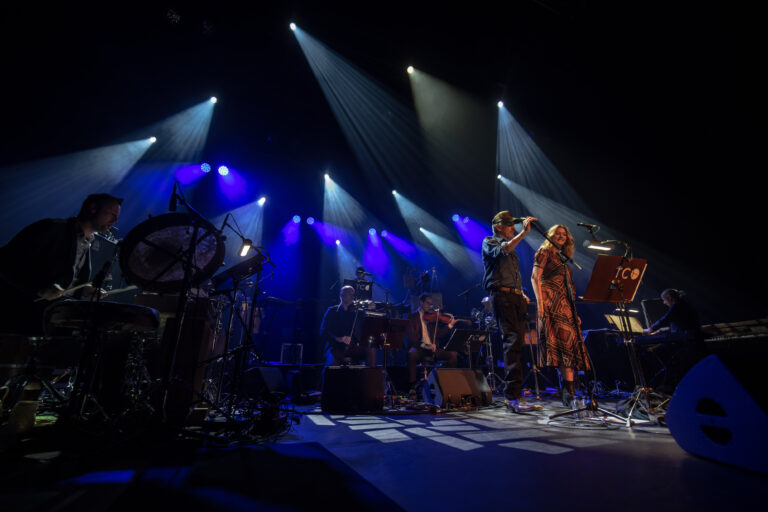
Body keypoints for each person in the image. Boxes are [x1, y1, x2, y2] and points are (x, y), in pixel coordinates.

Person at [0, 193, 122, 334]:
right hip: (21, 317)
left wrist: (81, 289)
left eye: (117, 217)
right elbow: (6, 262)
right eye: (112, 214)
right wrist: (38, 289)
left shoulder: (88, 243)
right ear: (93, 208)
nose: (115, 220)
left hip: (52, 323)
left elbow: (63, 282)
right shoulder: (51, 228)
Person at [482, 211, 541, 413]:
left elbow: (511, 272)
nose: (513, 228)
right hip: (502, 296)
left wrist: (520, 292)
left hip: (515, 296)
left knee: (518, 343)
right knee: (511, 340)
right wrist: (524, 234)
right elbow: (503, 251)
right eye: (510, 226)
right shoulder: (490, 241)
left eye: (514, 226)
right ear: (499, 226)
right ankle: (512, 397)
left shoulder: (511, 246)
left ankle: (516, 395)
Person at [530, 224, 589, 407]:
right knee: (562, 347)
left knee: (570, 347)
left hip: (565, 305)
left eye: (565, 234)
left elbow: (568, 287)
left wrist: (574, 312)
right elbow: (534, 277)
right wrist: (540, 303)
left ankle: (569, 388)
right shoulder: (543, 252)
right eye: (558, 233)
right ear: (550, 235)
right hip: (551, 303)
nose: (562, 236)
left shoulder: (563, 258)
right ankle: (568, 390)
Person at [406, 293, 458, 394]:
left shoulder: (432, 318)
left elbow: (438, 334)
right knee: (411, 353)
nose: (430, 306)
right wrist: (426, 345)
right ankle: (412, 387)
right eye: (427, 303)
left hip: (432, 349)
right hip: (419, 348)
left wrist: (450, 325)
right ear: (421, 302)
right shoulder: (412, 317)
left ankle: (442, 381)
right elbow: (412, 338)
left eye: (431, 304)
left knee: (453, 355)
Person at [319, 285, 376, 368]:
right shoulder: (332, 311)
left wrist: (370, 310)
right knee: (331, 364)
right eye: (349, 294)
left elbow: (367, 329)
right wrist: (338, 338)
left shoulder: (358, 312)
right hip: (336, 347)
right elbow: (323, 331)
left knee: (371, 349)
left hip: (354, 348)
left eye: (353, 294)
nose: (352, 296)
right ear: (341, 295)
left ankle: (371, 377)